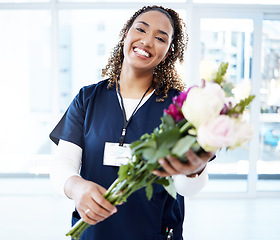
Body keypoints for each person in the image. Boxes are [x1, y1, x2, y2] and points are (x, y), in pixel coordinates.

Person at [49, 5, 214, 240]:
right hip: (94, 233)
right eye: (141, 29)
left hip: (154, 232)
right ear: (126, 35)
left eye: (160, 38)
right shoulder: (88, 98)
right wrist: (76, 187)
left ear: (166, 53)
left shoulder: (181, 106)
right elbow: (62, 162)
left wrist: (194, 170)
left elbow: (187, 188)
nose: (147, 41)